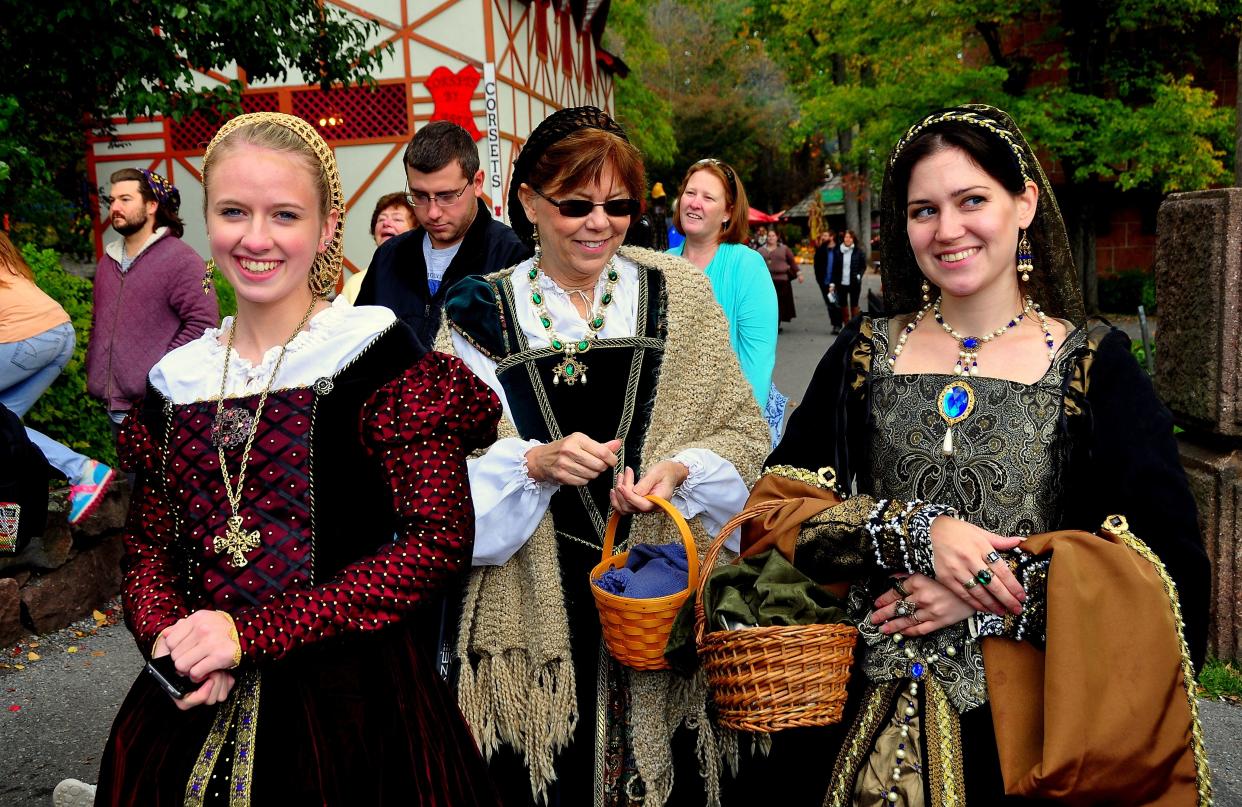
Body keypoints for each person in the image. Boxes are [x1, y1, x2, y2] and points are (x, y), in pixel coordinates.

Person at [731, 105, 1211, 805]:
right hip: (850, 703)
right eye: (924, 209)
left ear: (1024, 203)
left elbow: (1165, 570)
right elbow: (774, 518)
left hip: (1029, 724)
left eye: (972, 200)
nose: (948, 229)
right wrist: (912, 530)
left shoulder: (1094, 367)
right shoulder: (864, 353)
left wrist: (993, 590)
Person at [91, 112, 503, 805]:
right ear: (207, 217)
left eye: (284, 214)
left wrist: (248, 633)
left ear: (326, 225)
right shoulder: (178, 380)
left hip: (358, 709)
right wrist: (175, 644)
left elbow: (435, 542)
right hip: (194, 703)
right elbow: (150, 550)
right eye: (233, 211)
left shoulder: (377, 356)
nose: (256, 238)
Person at [440, 106, 768, 806]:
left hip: (661, 586)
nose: (600, 222)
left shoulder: (678, 292)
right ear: (526, 200)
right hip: (530, 608)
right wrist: (531, 464)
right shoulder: (479, 311)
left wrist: (681, 470)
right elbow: (436, 478)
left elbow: (742, 432)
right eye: (576, 204)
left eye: (618, 205)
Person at [354, 120, 529, 347]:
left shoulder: (513, 256)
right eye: (419, 196)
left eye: (446, 196)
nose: (433, 212)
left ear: (477, 183)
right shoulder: (388, 257)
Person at [86, 169, 218, 434]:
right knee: (131, 475)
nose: (115, 208)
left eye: (125, 199)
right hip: (115, 407)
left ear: (151, 205)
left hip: (159, 407)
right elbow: (97, 322)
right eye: (112, 201)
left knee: (160, 477)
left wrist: (156, 373)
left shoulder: (182, 260)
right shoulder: (106, 263)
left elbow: (204, 324)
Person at [667, 157, 784, 442]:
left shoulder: (746, 265)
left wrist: (730, 437)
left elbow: (757, 362)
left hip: (730, 427)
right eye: (690, 193)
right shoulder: (663, 264)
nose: (694, 203)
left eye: (708, 197)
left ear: (727, 213)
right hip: (669, 426)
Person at [0, 233, 113, 524]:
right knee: (5, 425)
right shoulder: (8, 263)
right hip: (59, 333)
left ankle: (8, 535)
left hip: (25, 338)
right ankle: (83, 470)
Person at [339, 192, 417, 304]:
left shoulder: (425, 278)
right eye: (381, 219)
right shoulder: (355, 283)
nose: (386, 223)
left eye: (397, 219)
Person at [759, 229, 800, 324]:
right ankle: (772, 321)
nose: (771, 238)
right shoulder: (761, 250)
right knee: (769, 303)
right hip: (766, 281)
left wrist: (799, 273)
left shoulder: (784, 249)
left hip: (782, 280)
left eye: (773, 236)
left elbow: (792, 262)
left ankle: (777, 322)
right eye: (769, 236)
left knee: (781, 303)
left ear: (777, 237)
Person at [829, 227, 867, 323]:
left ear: (853, 239)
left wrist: (859, 275)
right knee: (843, 305)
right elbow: (834, 269)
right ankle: (847, 326)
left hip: (854, 283)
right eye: (846, 237)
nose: (848, 239)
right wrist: (832, 284)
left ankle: (855, 327)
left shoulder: (858, 251)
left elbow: (863, 266)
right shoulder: (838, 252)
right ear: (843, 238)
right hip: (841, 284)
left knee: (854, 305)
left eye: (850, 237)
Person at [813, 229, 844, 333]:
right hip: (824, 283)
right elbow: (816, 266)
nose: (823, 238)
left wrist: (836, 281)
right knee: (830, 305)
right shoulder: (821, 249)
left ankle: (839, 324)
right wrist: (819, 280)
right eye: (823, 236)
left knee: (836, 303)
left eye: (825, 236)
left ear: (832, 237)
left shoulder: (839, 249)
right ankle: (835, 325)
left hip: (837, 282)